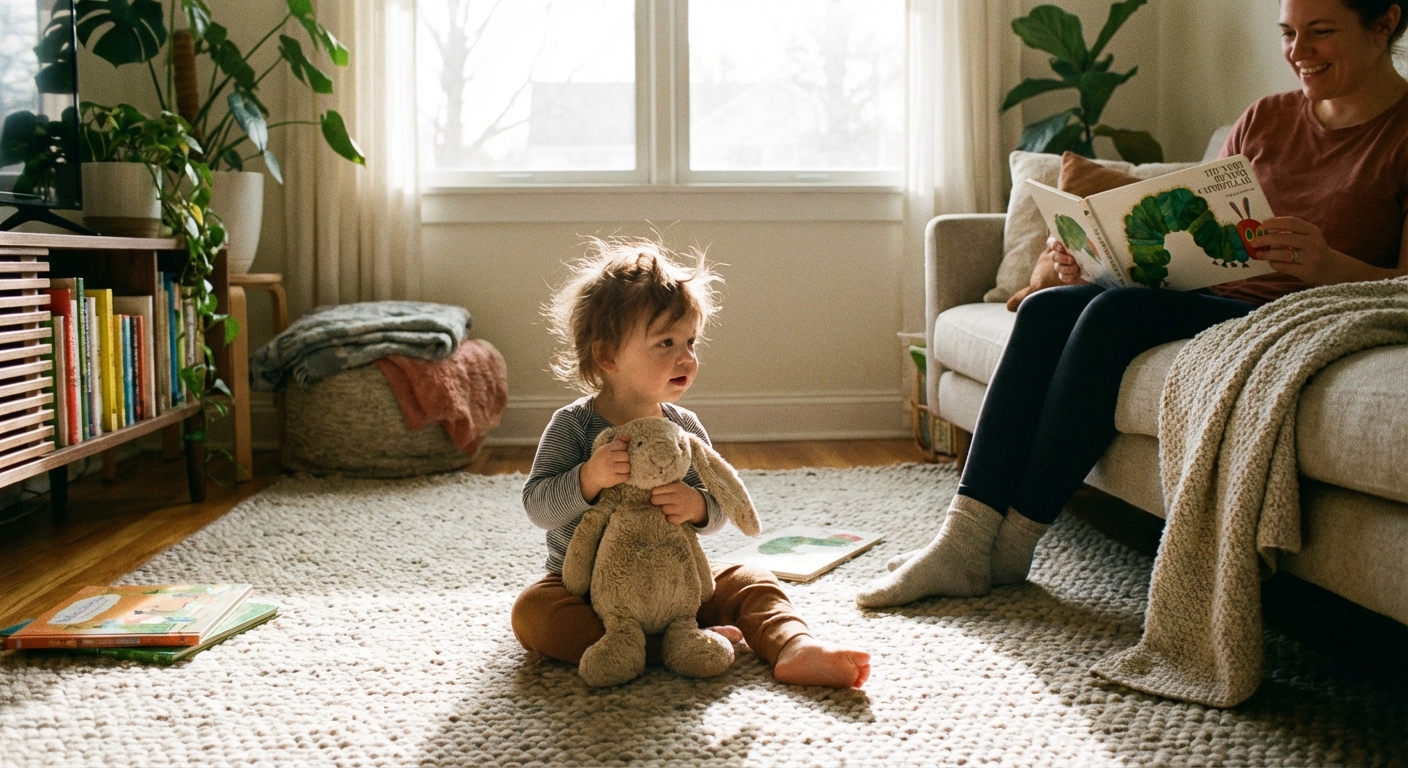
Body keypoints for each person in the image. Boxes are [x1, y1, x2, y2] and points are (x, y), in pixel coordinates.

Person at [857, 0, 1408, 609]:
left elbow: (1401, 283)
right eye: (1287, 34)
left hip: (1289, 315)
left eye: (1321, 33)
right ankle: (963, 537)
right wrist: (1093, 257)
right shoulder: (1266, 118)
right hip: (1210, 296)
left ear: (1384, 22)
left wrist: (1328, 264)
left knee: (1110, 317)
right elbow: (1202, 221)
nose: (1298, 52)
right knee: (1049, 307)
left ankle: (1013, 543)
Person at [514, 238, 871, 688]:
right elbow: (537, 506)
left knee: (751, 578)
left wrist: (697, 506)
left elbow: (720, 502)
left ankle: (793, 646)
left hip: (676, 586)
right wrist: (589, 477)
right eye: (665, 342)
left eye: (690, 341)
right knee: (533, 613)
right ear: (607, 356)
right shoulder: (574, 426)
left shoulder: (684, 426)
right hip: (589, 592)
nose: (686, 357)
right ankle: (667, 648)